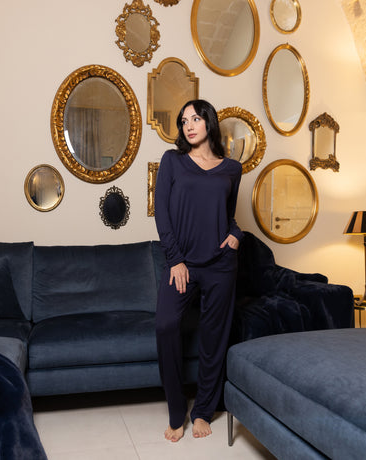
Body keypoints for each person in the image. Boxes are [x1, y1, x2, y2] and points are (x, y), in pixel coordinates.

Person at [154, 99, 243, 442]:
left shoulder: (232, 169)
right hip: (183, 264)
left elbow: (228, 214)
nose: (188, 125)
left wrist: (236, 235)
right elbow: (161, 212)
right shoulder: (172, 161)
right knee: (166, 325)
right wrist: (175, 259)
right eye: (183, 121)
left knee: (213, 337)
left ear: (209, 122)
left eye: (195, 118)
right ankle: (177, 412)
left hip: (221, 265)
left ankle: (203, 410)